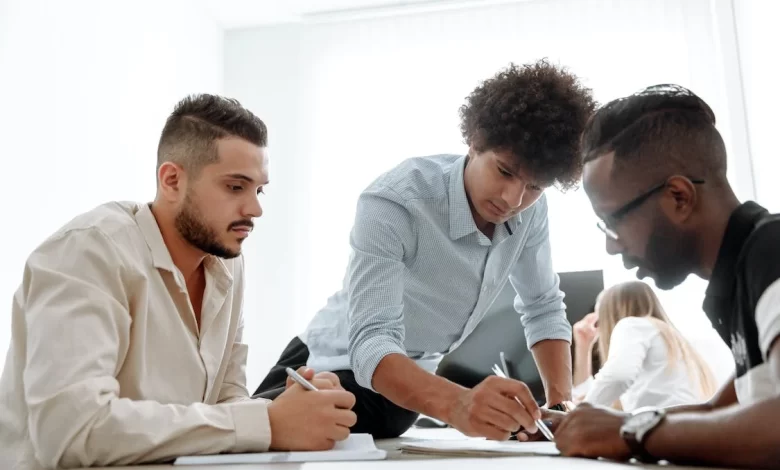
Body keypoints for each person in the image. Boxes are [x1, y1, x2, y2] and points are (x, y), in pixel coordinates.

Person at [0, 94, 356, 470]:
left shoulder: (227, 266)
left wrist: (284, 410)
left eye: (259, 189)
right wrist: (265, 422)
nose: (255, 209)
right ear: (171, 180)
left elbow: (223, 406)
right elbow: (71, 433)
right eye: (236, 187)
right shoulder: (87, 252)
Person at [253, 59, 597, 440]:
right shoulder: (395, 201)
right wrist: (460, 405)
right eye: (504, 171)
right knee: (236, 438)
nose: (513, 198)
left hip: (404, 391)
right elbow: (371, 343)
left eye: (535, 186)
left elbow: (542, 305)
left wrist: (561, 410)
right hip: (330, 363)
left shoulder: (531, 213)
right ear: (475, 142)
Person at [549, 84, 780, 468]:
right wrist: (593, 424)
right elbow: (711, 413)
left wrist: (630, 433)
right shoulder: (739, 280)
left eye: (613, 223)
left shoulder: (771, 253)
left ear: (679, 197)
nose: (612, 247)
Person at [572, 281, 716, 411]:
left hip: (667, 431)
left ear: (610, 314)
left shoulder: (632, 325)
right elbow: (599, 393)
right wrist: (583, 347)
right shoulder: (671, 338)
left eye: (600, 319)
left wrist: (579, 414)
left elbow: (617, 377)